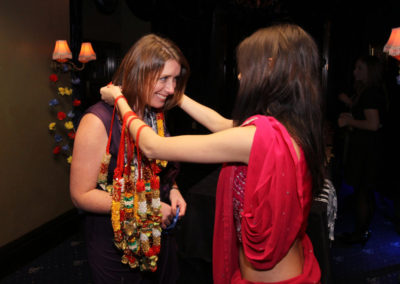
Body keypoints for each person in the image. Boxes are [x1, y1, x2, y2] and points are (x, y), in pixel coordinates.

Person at [101, 23, 325, 283]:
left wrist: (119, 99)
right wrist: (175, 95)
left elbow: (153, 146)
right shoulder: (289, 126)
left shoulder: (257, 137)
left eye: (245, 68)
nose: (240, 76)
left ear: (270, 67)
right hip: (291, 265)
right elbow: (221, 123)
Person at [70, 34, 188, 284]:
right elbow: (81, 195)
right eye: (164, 79)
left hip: (160, 237)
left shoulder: (154, 112)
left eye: (175, 79)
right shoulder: (97, 120)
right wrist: (151, 209)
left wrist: (173, 188)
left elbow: (160, 166)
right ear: (138, 74)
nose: (171, 89)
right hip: (116, 242)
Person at [337, 55, 386, 245]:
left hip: (368, 150)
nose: (354, 72)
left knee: (363, 191)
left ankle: (359, 233)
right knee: (364, 191)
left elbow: (373, 124)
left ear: (369, 72)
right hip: (369, 148)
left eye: (359, 68)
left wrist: (349, 121)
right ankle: (362, 231)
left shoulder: (370, 92)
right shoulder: (369, 91)